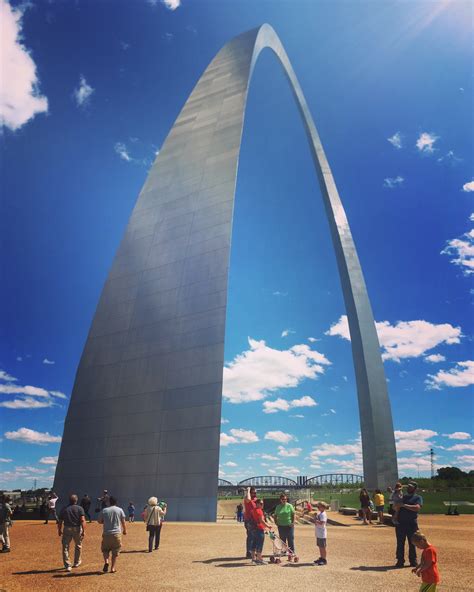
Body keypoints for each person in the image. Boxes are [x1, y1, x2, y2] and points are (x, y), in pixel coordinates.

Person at [394, 481, 423, 568]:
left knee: (413, 542)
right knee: (400, 543)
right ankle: (400, 560)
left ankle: (413, 560)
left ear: (415, 488)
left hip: (411, 523)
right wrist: (396, 509)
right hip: (401, 523)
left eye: (410, 487)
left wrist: (404, 505)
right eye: (408, 486)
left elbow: (417, 508)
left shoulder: (418, 497)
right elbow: (396, 506)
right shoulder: (403, 497)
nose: (408, 488)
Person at [98, 495, 127, 573]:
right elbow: (123, 521)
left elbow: (99, 521)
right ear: (116, 502)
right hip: (116, 533)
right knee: (115, 551)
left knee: (105, 550)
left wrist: (105, 522)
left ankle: (106, 562)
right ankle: (112, 568)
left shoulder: (104, 510)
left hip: (107, 533)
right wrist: (124, 530)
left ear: (109, 502)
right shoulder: (120, 510)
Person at [58, 494, 86, 572]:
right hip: (77, 528)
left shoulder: (64, 509)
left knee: (65, 547)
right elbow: (83, 520)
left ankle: (67, 565)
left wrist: (59, 530)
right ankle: (76, 562)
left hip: (67, 528)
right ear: (76, 500)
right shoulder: (80, 508)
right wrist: (83, 531)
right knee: (78, 545)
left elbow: (60, 521)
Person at [271, 493, 296, 557]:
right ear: (280, 500)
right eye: (283, 499)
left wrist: (293, 522)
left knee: (290, 539)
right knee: (282, 539)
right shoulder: (278, 507)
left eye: (285, 499)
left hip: (289, 525)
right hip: (281, 526)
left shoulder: (290, 506)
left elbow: (293, 514)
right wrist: (276, 522)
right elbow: (275, 515)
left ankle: (292, 551)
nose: (284, 500)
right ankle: (284, 551)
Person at [251, 498, 272, 565]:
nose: (262, 505)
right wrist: (268, 526)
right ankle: (259, 559)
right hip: (259, 529)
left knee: (254, 543)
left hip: (254, 529)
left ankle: (253, 559)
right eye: (261, 504)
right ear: (257, 504)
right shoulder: (259, 511)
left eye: (263, 504)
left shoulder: (254, 510)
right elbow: (261, 521)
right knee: (260, 544)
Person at [243, 487, 257, 559]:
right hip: (249, 520)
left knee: (255, 536)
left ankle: (253, 552)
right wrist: (248, 490)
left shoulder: (255, 499)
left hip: (255, 520)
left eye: (255, 493)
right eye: (253, 493)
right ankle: (249, 552)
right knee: (251, 536)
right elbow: (248, 499)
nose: (254, 494)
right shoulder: (247, 498)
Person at [313, 501, 328, 566]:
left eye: (319, 506)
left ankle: (324, 559)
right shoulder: (320, 513)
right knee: (320, 546)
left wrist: (316, 520)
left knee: (322, 547)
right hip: (319, 532)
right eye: (318, 506)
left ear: (323, 507)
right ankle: (321, 557)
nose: (318, 508)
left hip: (322, 533)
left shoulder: (323, 514)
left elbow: (322, 522)